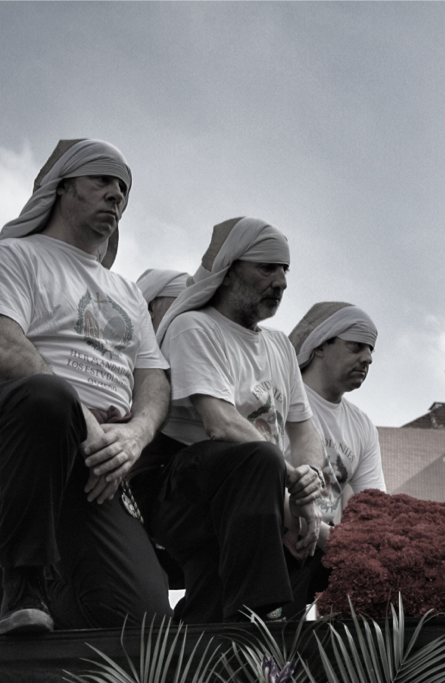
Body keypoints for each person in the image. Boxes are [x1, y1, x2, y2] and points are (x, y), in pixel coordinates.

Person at [0, 139, 172, 634]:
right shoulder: (13, 257)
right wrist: (83, 420)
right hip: (8, 442)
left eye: (123, 189)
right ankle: (21, 584)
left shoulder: (127, 293)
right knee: (47, 397)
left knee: (143, 626)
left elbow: (153, 378)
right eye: (102, 180)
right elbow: (0, 346)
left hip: (92, 463)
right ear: (62, 187)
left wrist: (135, 436)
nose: (117, 195)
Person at [130, 216, 325, 624]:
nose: (281, 282)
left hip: (245, 494)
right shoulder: (193, 327)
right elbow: (219, 422)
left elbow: (305, 430)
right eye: (267, 268)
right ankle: (257, 612)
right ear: (230, 270)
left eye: (285, 271)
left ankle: (222, 639)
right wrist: (290, 480)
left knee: (211, 607)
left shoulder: (280, 346)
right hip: (176, 490)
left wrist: (307, 480)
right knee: (262, 459)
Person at [283, 301, 385, 617]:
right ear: (320, 346)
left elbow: (374, 510)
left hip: (327, 551)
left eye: (370, 350)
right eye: (356, 346)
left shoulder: (362, 426)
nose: (368, 358)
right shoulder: (281, 396)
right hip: (274, 544)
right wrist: (344, 545)